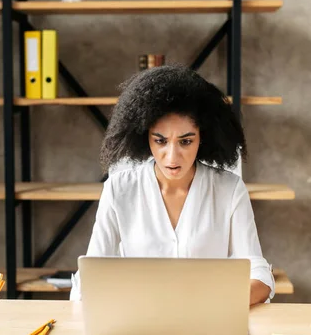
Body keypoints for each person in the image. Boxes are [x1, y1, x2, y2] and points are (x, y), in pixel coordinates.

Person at [70, 64, 274, 304]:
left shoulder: (229, 190)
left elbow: (259, 276)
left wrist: (219, 302)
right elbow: (91, 275)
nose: (172, 156)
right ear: (145, 137)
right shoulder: (118, 190)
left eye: (186, 141)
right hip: (139, 323)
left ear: (203, 138)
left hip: (208, 323)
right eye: (161, 141)